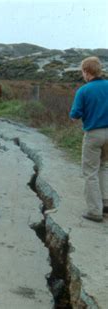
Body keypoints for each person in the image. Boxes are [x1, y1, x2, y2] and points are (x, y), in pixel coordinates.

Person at [70, 56, 108, 222]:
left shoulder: (84, 90)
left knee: (90, 171)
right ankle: (105, 202)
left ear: (86, 72)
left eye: (83, 72)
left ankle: (95, 211)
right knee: (104, 167)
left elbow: (75, 114)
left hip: (94, 134)